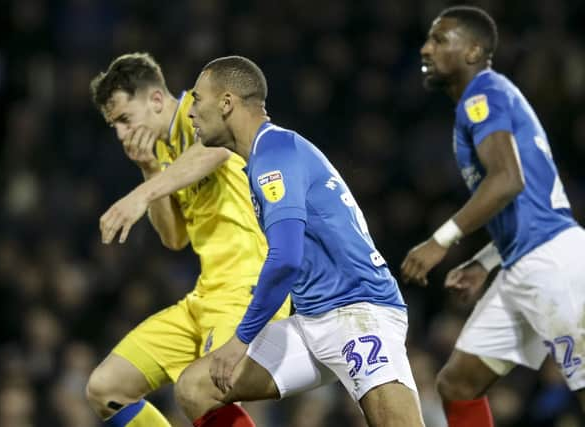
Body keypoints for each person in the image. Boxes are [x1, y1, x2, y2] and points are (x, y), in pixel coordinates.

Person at [174, 55, 424, 427]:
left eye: (197, 99)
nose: (191, 112)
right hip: (311, 321)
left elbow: (286, 258)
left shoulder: (276, 154)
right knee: (196, 387)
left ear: (226, 103)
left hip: (357, 313)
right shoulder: (262, 157)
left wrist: (240, 339)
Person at [401, 6, 585, 427]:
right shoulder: (486, 100)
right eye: (429, 38)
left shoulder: (483, 95)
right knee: (457, 384)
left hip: (552, 264)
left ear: (473, 51)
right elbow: (529, 199)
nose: (426, 48)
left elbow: (506, 181)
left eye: (440, 39)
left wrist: (439, 241)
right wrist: (485, 261)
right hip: (524, 262)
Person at [85, 52, 291, 427]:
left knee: (204, 389)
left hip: (248, 288)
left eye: (124, 119)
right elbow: (174, 238)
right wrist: (149, 170)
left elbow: (214, 150)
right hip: (205, 296)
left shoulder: (204, 119)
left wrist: (140, 197)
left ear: (157, 100)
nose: (120, 133)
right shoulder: (164, 154)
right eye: (113, 125)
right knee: (106, 388)